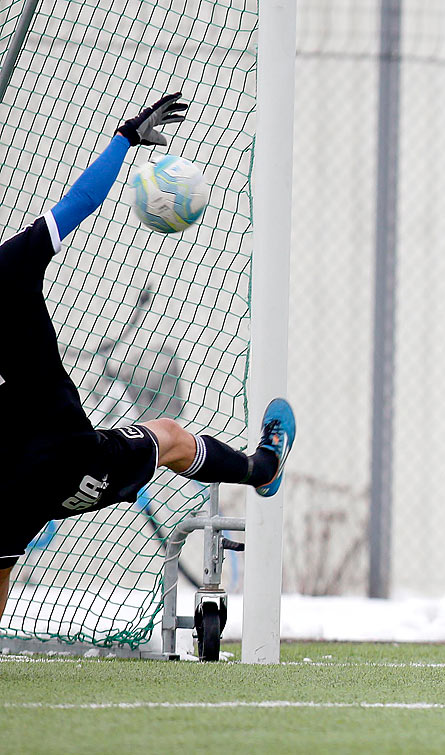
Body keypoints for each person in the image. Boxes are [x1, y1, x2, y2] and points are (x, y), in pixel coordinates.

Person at [0, 94, 297, 620]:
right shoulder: (10, 263)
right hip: (68, 460)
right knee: (169, 436)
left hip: (4, 479)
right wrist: (125, 138)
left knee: (0, 558)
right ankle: (262, 467)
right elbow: (80, 202)